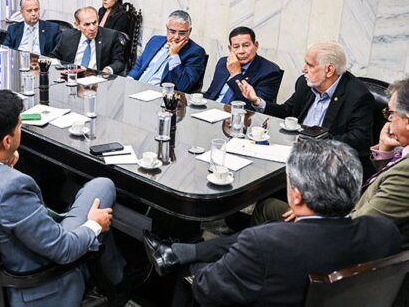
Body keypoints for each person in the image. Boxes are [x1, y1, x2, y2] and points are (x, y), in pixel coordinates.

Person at [144, 139, 401, 306]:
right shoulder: (384, 231)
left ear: (296, 196)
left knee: (190, 272)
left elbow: (208, 289)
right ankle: (180, 252)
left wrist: (200, 269)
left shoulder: (265, 245)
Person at [0, 90, 127, 307]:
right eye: (19, 126)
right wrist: (94, 225)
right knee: (102, 186)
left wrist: (1, 168)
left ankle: (115, 276)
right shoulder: (12, 190)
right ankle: (118, 283)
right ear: (7, 141)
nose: (21, 129)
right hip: (29, 290)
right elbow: (64, 250)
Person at [253, 77, 409, 248]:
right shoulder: (403, 161)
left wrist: (314, 216)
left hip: (341, 243)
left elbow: (360, 227)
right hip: (345, 216)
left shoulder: (405, 174)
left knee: (266, 210)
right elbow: (381, 185)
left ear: (407, 121)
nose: (389, 121)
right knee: (268, 206)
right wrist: (385, 152)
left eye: (391, 114)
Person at [237, 41, 375, 159]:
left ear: (329, 70)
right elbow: (287, 112)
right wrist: (257, 101)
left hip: (328, 160)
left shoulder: (357, 96)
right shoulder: (305, 84)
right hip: (294, 153)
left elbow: (360, 140)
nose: (304, 69)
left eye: (310, 65)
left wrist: (316, 141)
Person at [204, 26, 282, 109]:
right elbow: (210, 93)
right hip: (212, 110)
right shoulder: (223, 62)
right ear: (230, 49)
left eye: (246, 45)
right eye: (236, 47)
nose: (241, 51)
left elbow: (253, 108)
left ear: (256, 45)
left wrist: (236, 74)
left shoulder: (270, 72)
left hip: (239, 114)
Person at [128, 10, 206, 93]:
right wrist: (129, 80)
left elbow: (184, 86)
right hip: (137, 88)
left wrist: (174, 55)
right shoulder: (155, 40)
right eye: (172, 31)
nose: (176, 37)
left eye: (182, 33)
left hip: (160, 94)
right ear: (167, 29)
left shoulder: (196, 52)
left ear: (189, 31)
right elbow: (139, 65)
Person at [51, 6, 125, 74]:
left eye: (94, 22)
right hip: (71, 76)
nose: (92, 28)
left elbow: (119, 62)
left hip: (96, 78)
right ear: (77, 25)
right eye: (87, 24)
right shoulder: (67, 36)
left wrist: (108, 69)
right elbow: (54, 56)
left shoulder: (111, 36)